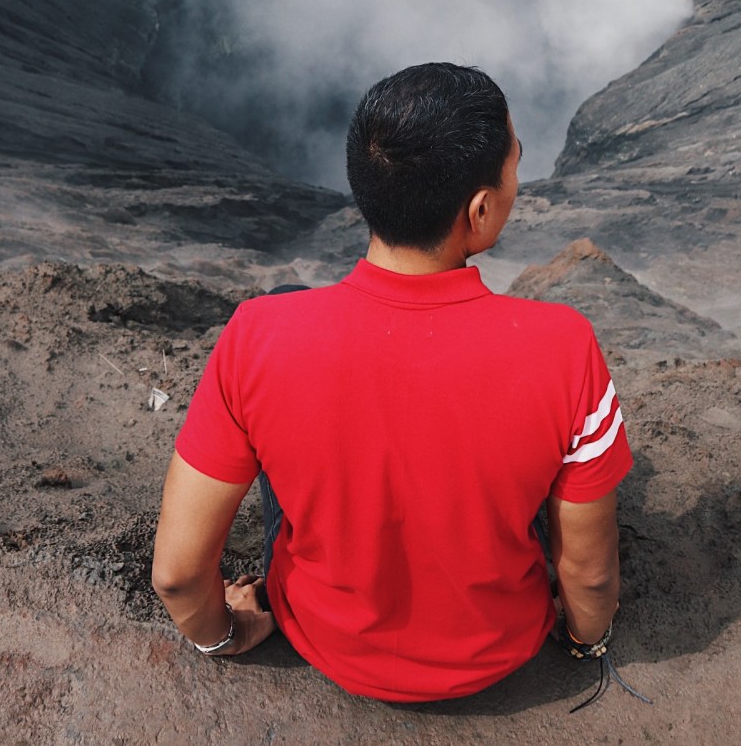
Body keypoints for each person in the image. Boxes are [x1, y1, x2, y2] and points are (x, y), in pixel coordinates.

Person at [152, 62, 632, 702]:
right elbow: (590, 577)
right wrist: (584, 640)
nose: (520, 175)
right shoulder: (564, 346)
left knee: (287, 343)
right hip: (500, 650)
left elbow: (179, 577)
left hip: (323, 639)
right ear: (480, 209)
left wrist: (223, 635)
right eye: (516, 161)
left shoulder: (256, 334)